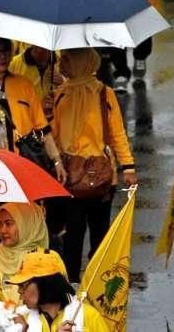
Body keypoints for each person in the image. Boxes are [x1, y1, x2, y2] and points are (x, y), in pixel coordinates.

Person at [53, 48, 137, 282]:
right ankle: (72, 286)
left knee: (100, 233)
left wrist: (128, 167)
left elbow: (117, 132)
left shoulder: (103, 93)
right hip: (71, 178)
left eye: (67, 60)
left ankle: (97, 281)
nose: (62, 65)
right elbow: (53, 136)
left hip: (99, 178)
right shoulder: (60, 94)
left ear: (81, 62)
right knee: (73, 234)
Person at [0, 36, 66, 181]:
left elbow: (44, 130)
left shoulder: (24, 85)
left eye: (7, 51)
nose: (3, 56)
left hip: (23, 164)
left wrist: (57, 161)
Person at [0, 202, 66, 305]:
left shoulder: (49, 259)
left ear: (27, 224)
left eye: (9, 223)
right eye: (0, 224)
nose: (3, 230)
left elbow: (59, 303)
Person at [9, 251, 109, 331]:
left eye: (22, 286)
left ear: (44, 284)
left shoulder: (88, 316)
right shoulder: (22, 320)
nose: (19, 291)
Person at [9, 46, 64, 120]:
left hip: (55, 123)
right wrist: (38, 107)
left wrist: (63, 84)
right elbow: (9, 102)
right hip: (28, 124)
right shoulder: (14, 64)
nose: (40, 48)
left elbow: (72, 98)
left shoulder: (62, 63)